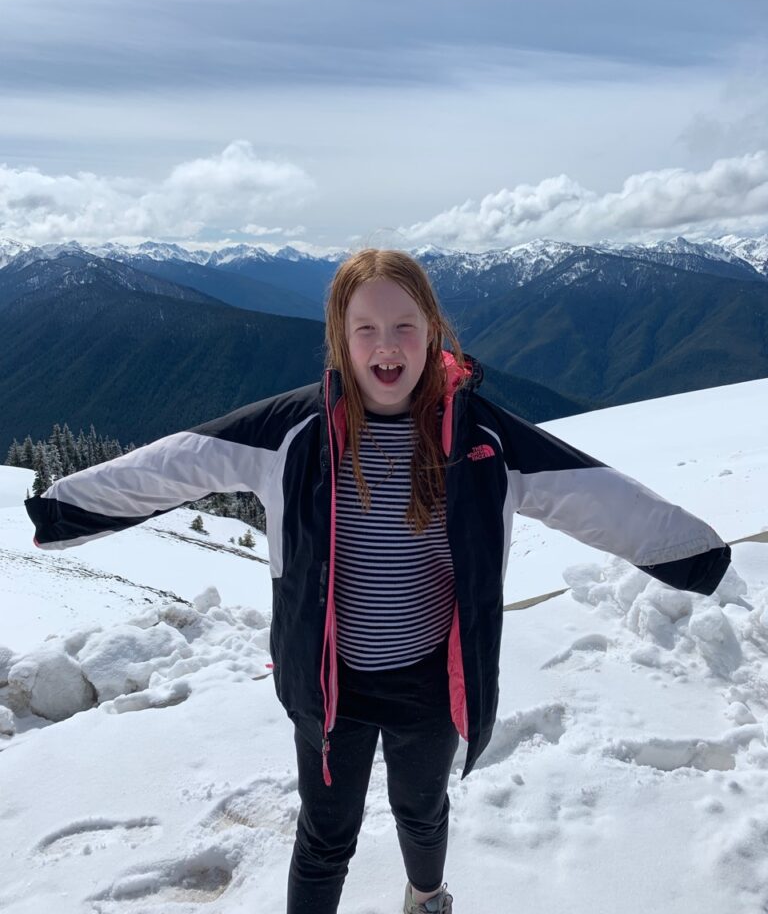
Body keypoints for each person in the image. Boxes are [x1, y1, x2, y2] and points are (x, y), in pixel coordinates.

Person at [25, 248, 731, 914]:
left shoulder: (483, 440)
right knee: (325, 834)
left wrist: (694, 553)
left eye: (403, 326)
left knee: (422, 810)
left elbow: (592, 494)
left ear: (433, 333)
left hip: (431, 680)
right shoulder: (292, 433)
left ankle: (426, 898)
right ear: (340, 337)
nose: (385, 345)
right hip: (330, 686)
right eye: (366, 329)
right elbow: (174, 465)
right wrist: (65, 509)